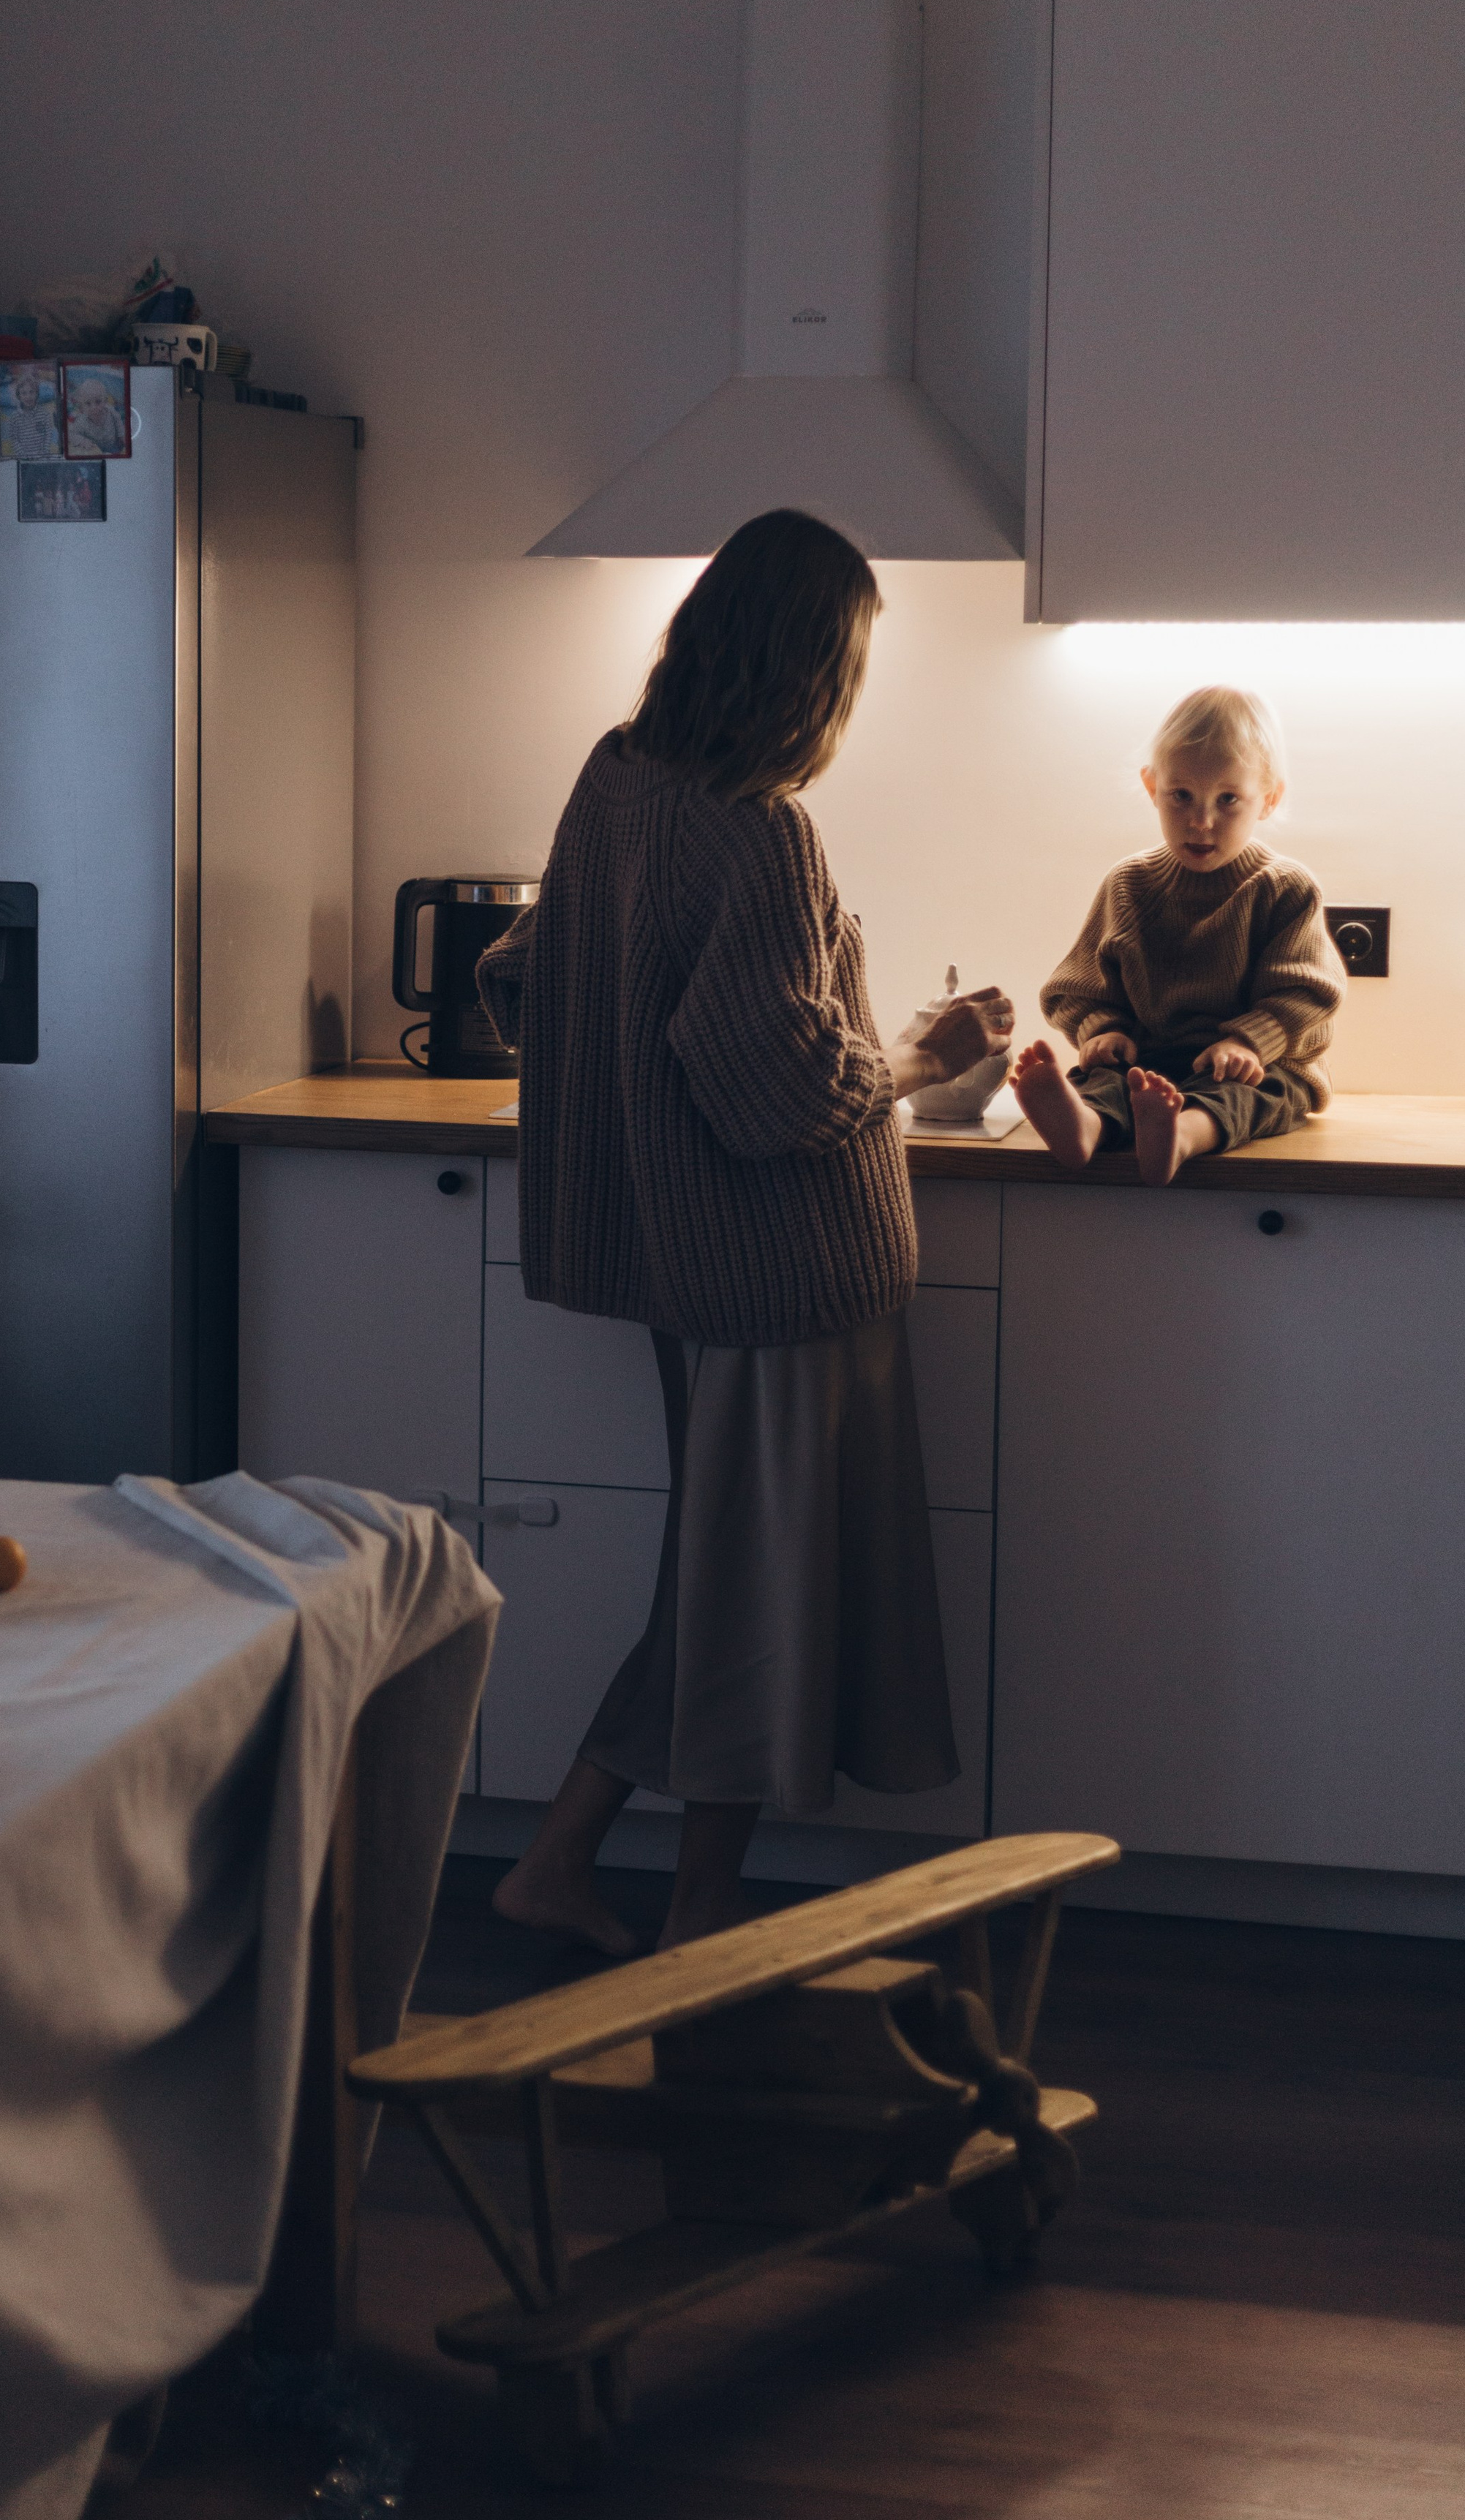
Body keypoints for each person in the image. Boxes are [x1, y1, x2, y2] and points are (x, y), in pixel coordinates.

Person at [475, 508, 1013, 1955]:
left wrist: (625, 1101)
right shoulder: (759, 832)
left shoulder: (618, 774)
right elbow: (782, 1091)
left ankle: (558, 1868)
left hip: (685, 1267)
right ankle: (700, 1913)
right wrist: (920, 1047)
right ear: (808, 668)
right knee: (753, 1607)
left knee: (718, 1585)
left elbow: (520, 975)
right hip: (777, 1278)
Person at [1013, 685, 1342, 1187]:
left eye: (1228, 799)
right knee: (1107, 1079)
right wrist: (1101, 1030)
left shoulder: (1285, 888)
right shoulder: (1129, 884)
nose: (1201, 821)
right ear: (1152, 787)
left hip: (1255, 1064)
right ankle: (1087, 1124)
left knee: (1255, 1091)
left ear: (1269, 799)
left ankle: (1182, 1135)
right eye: (1181, 795)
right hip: (1147, 1063)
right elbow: (1076, 986)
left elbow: (1308, 991)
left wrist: (1248, 1042)